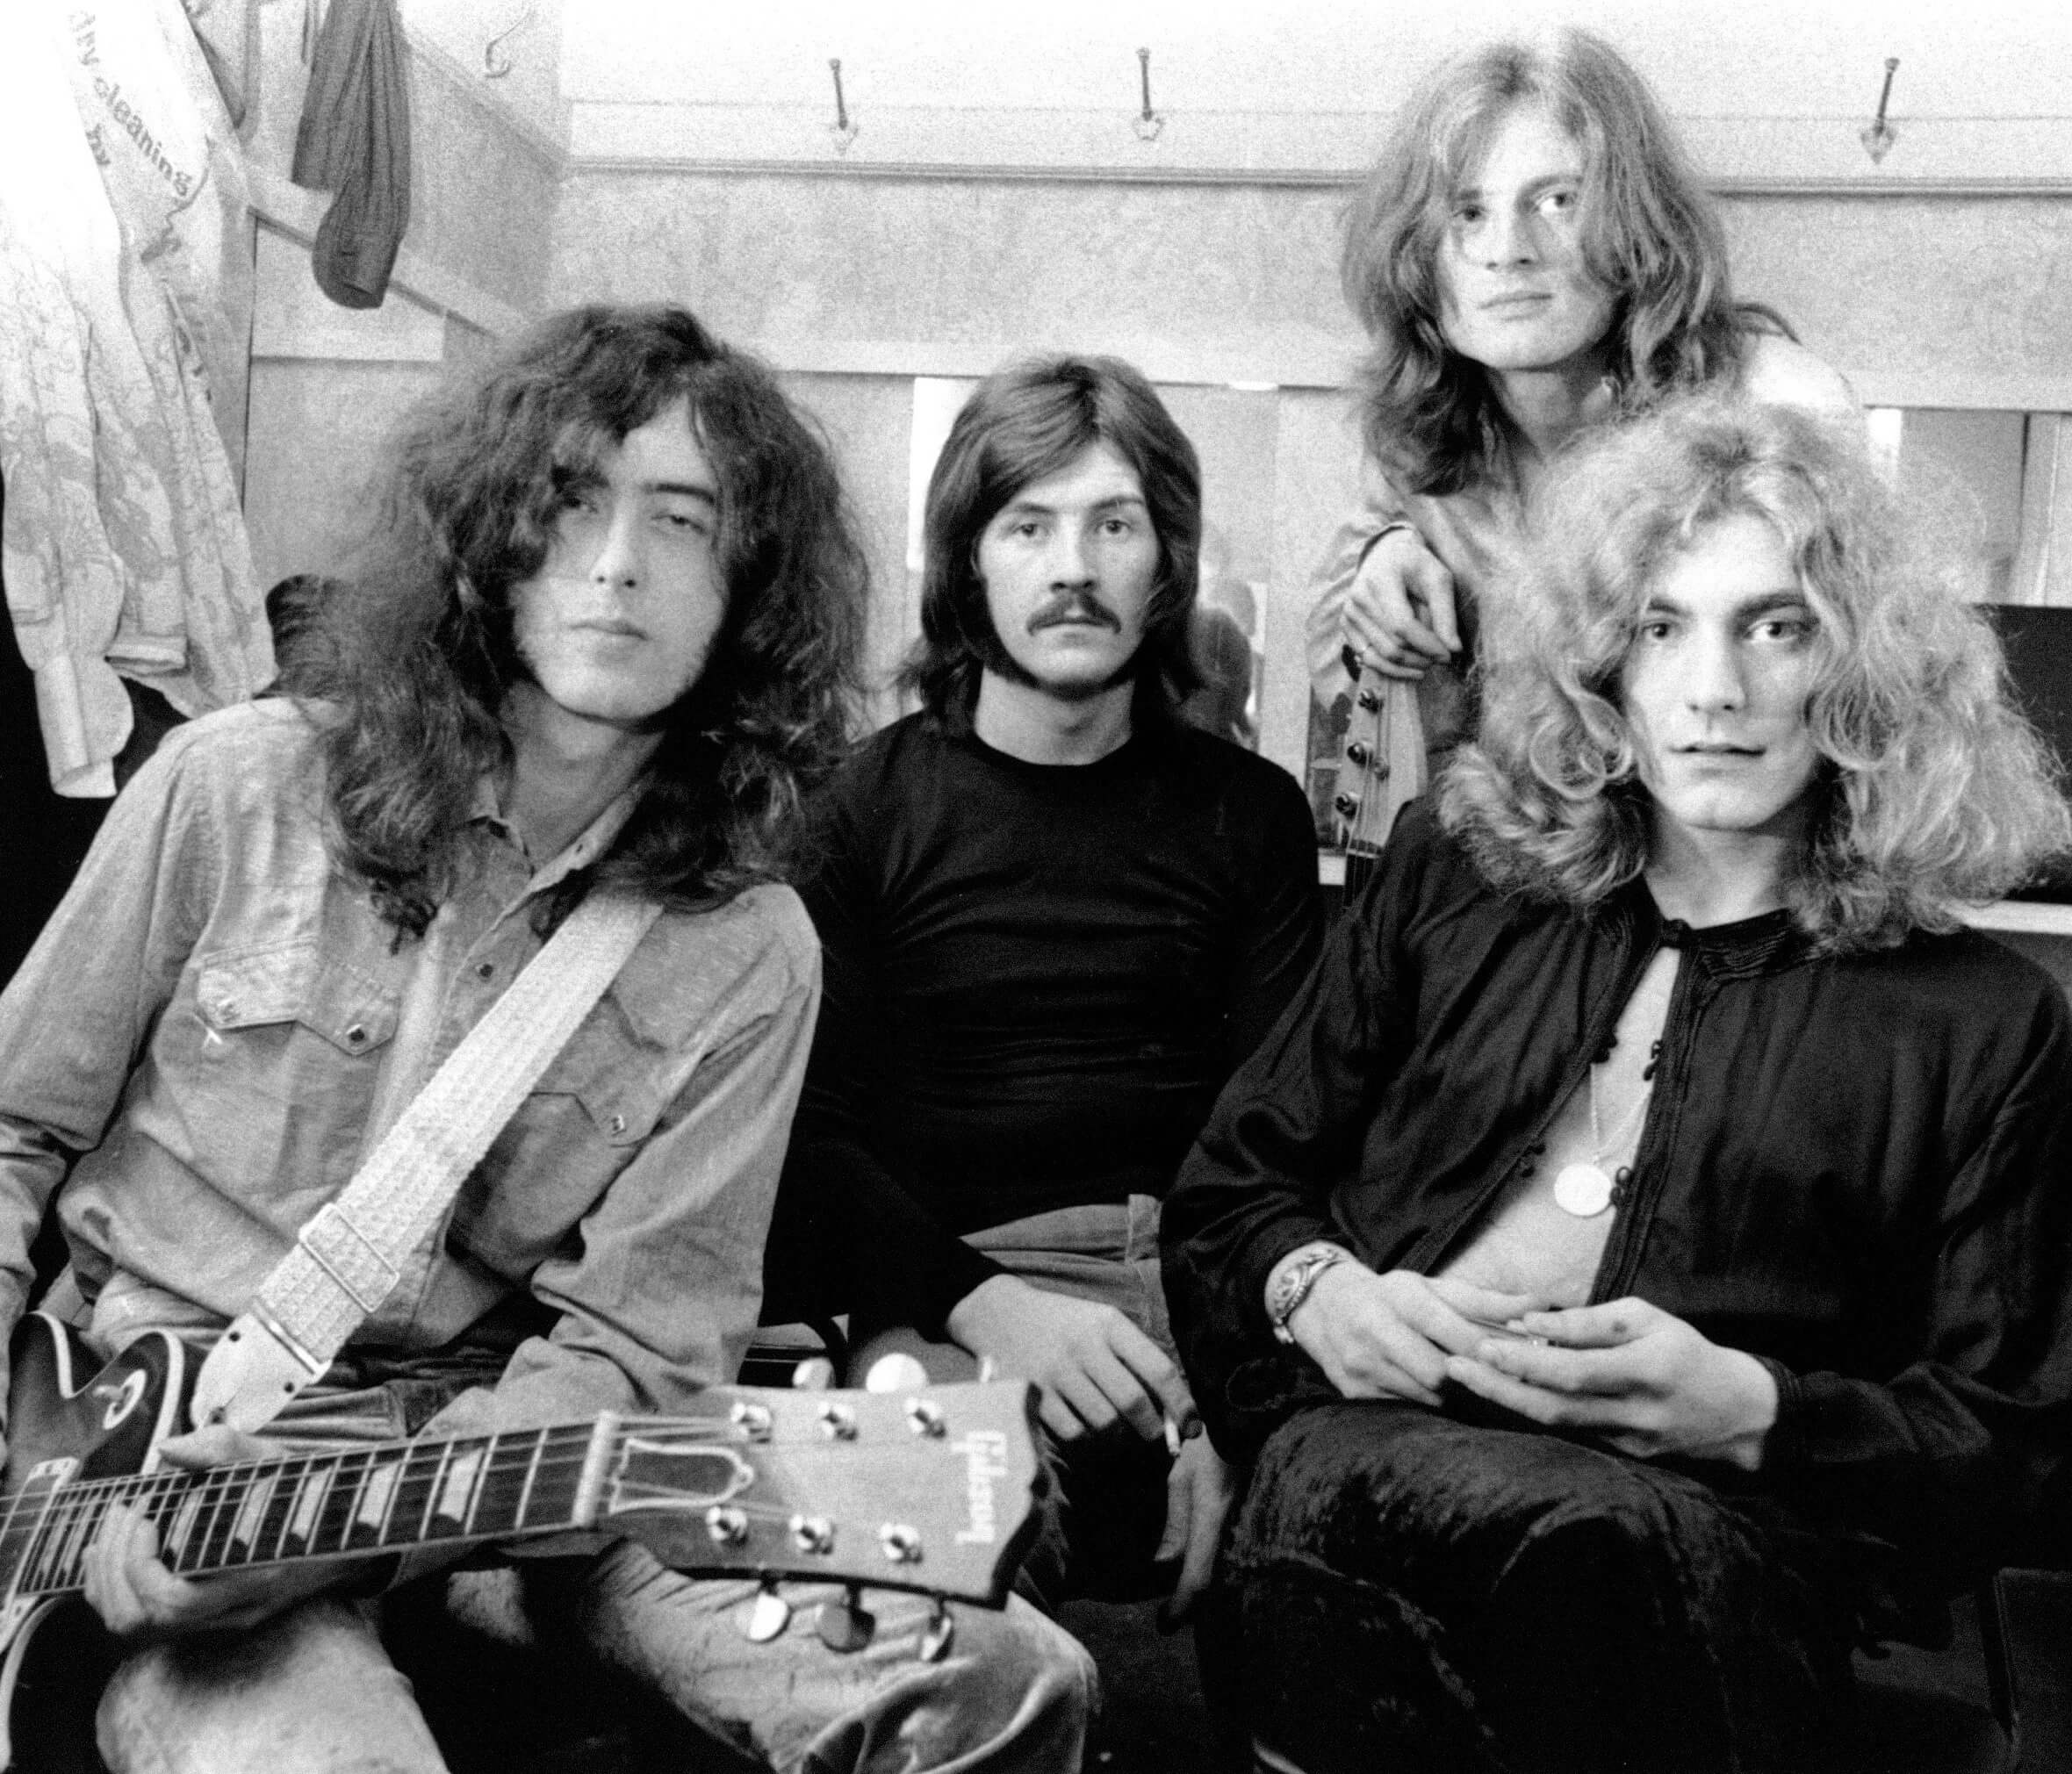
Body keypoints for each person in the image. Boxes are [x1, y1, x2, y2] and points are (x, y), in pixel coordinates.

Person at [0, 304, 1091, 1774]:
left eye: (685, 520)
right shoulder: (229, 790)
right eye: (572, 500)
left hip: (503, 1475)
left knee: (1005, 1679)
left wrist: (358, 1529)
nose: (619, 561)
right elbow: (11, 1129)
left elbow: (638, 1350)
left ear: (749, 587)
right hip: (140, 1466)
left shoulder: (749, 947)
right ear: (488, 542)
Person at [1163, 396, 2072, 1773]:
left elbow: (2017, 1448)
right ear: (1601, 664)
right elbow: (1234, 1188)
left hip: (1709, 1558)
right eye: (1660, 627)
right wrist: (1318, 1292)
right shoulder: (1455, 873)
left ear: (1865, 670)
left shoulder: (1983, 1023)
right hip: (1358, 1468)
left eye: (1777, 627)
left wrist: (1758, 1411)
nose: (1714, 689)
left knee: (1586, 1546)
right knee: (1380, 1514)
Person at [770, 356, 1322, 1615]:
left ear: (1166, 562)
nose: (1073, 567)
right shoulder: (856, 809)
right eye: (1028, 526)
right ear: (968, 563)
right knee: (930, 1573)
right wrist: (986, 1305)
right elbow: (806, 1140)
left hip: (1192, 1288)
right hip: (946, 1292)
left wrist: (1236, 1390)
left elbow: (1285, 1138)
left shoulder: (1252, 814)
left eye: (1112, 525)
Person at [1305, 27, 1856, 825]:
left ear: (1637, 226)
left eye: (1557, 202)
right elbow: (1350, 696)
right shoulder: (1417, 440)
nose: (1508, 251)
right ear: (1420, 254)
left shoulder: (1781, 403)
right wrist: (1381, 556)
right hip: (1525, 856)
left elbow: (1859, 703)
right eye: (1467, 212)